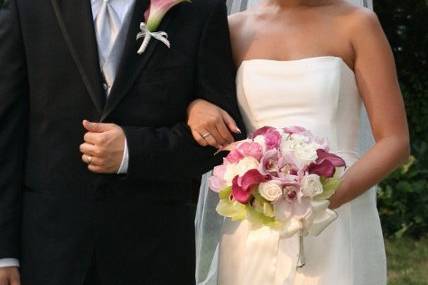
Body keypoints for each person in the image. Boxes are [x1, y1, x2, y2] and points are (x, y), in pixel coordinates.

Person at [0, 0, 244, 284]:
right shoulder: (28, 6)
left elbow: (224, 140)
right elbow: (7, 132)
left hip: (153, 252)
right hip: (48, 250)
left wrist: (133, 150)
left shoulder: (199, 8)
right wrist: (4, 251)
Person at [188, 0, 410, 284]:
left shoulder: (357, 24)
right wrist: (194, 108)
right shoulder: (234, 28)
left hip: (337, 207)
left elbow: (395, 141)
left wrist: (318, 199)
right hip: (257, 211)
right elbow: (195, 100)